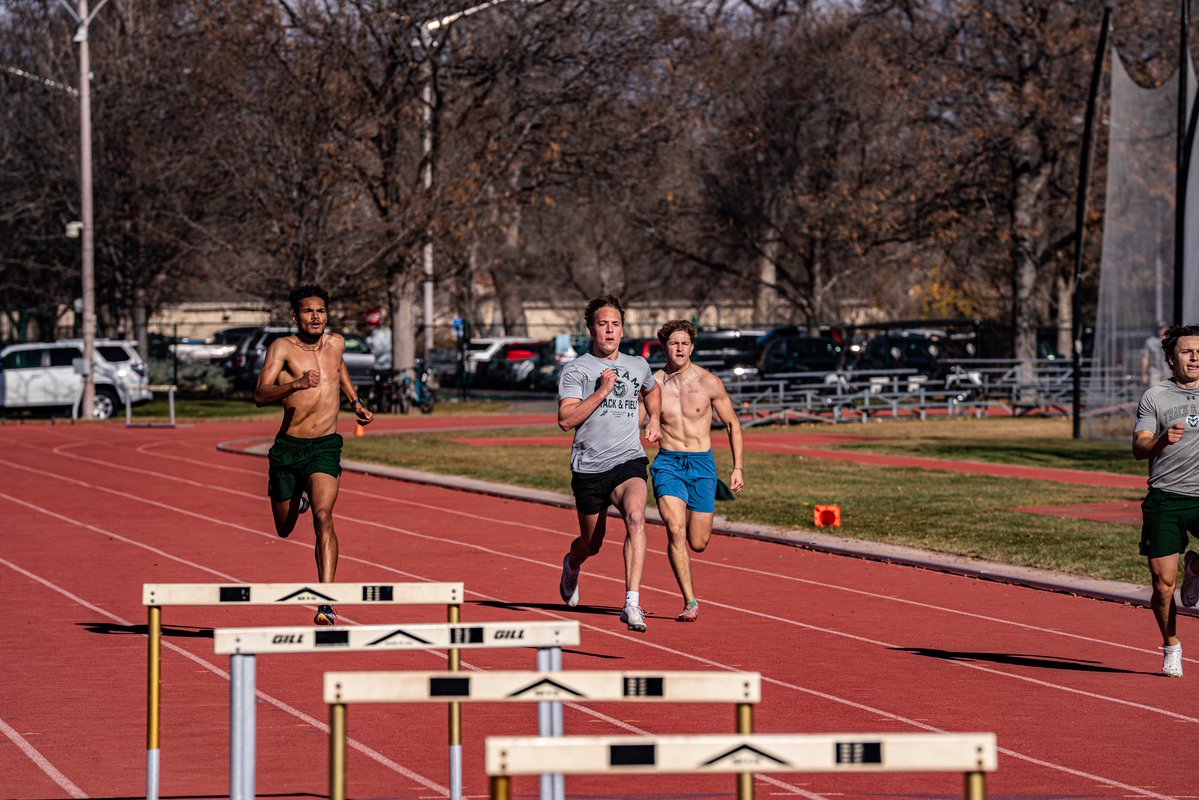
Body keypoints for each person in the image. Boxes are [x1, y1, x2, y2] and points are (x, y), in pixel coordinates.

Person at [254, 285, 374, 625]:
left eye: (320, 310)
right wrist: (295, 384)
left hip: (324, 445)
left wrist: (356, 403)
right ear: (295, 317)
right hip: (289, 448)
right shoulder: (282, 349)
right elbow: (261, 395)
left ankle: (326, 604)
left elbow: (339, 370)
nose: (316, 316)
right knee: (284, 528)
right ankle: (298, 498)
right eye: (308, 311)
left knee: (324, 517)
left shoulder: (336, 343)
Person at [557, 294, 661, 632]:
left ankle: (632, 603)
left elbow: (651, 388)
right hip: (589, 467)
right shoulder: (576, 370)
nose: (610, 330)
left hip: (628, 459)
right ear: (591, 329)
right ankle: (573, 564)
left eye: (615, 324)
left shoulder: (637, 365)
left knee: (635, 518)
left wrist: (654, 418)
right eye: (603, 324)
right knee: (592, 543)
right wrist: (601, 392)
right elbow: (565, 420)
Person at [650, 320, 744, 623]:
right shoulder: (654, 384)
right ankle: (690, 600)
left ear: (692, 347)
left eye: (685, 343)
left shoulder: (709, 382)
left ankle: (690, 589)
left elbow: (733, 424)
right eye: (674, 343)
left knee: (698, 543)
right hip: (668, 463)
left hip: (702, 464)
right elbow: (634, 418)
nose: (679, 348)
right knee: (674, 529)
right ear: (665, 346)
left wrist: (737, 467)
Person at [1134, 324, 1199, 676]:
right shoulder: (1155, 397)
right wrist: (1161, 439)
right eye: (1187, 351)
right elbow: (1138, 448)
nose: (1195, 357)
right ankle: (1171, 644)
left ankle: (1196, 568)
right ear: (1172, 358)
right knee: (1163, 586)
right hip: (1166, 497)